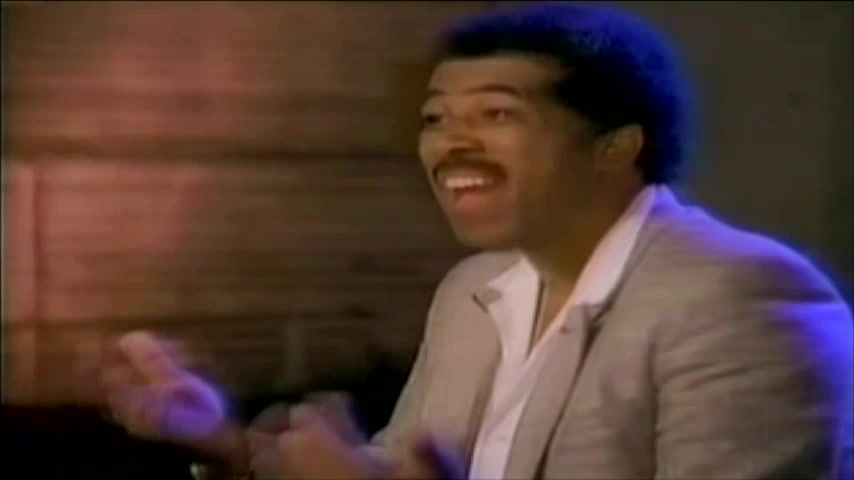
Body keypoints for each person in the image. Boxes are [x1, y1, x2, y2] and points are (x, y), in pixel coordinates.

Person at [102, 3, 854, 479]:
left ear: (617, 146)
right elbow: (398, 468)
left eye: (496, 114)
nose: (449, 144)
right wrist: (223, 442)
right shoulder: (472, 291)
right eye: (436, 118)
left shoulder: (743, 295)